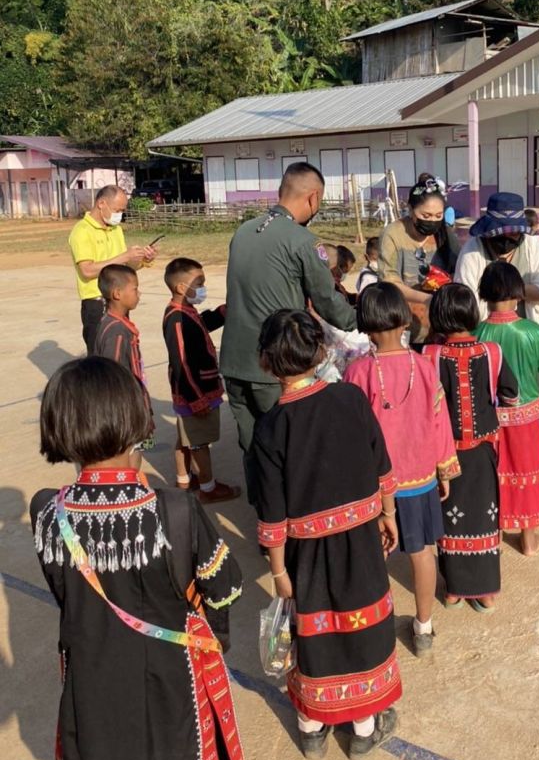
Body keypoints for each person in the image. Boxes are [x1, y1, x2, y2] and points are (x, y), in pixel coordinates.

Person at [31, 357, 250, 760]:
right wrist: (212, 630)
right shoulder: (174, 510)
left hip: (90, 692)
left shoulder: (46, 511)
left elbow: (65, 592)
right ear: (133, 418)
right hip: (172, 685)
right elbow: (226, 587)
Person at [253, 310, 401, 760]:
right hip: (361, 544)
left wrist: (279, 571)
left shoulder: (270, 426)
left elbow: (272, 513)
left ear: (264, 362)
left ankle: (312, 729)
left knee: (313, 635)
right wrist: (388, 514)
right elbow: (381, 464)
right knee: (362, 628)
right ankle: (363, 729)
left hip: (306, 555)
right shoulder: (350, 398)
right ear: (320, 352)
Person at [220, 162, 356, 505]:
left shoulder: (244, 231)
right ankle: (290, 517)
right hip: (275, 364)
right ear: (313, 198)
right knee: (288, 446)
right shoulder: (304, 241)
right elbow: (327, 301)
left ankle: (264, 516)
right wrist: (363, 321)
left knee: (252, 444)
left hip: (234, 361)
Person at [344, 283, 460, 656]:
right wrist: (444, 469)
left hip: (375, 486)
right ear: (405, 320)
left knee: (374, 557)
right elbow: (441, 422)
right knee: (422, 553)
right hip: (420, 479)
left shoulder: (357, 372)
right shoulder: (424, 366)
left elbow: (352, 436)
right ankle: (423, 626)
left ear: (366, 326)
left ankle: (373, 628)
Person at [424, 284, 518, 612]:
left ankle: (454, 590)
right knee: (484, 516)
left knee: (450, 516)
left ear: (437, 316)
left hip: (443, 455)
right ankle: (486, 591)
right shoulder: (492, 352)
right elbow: (511, 395)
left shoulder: (430, 355)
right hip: (482, 451)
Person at [476, 262, 539, 555]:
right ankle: (528, 539)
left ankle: (493, 532)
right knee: (527, 472)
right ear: (519, 293)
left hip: (488, 417)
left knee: (493, 475)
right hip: (526, 416)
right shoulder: (533, 331)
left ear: (484, 293)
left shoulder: (476, 333)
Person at [162, 257, 241, 504]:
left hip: (195, 390)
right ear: (181, 288)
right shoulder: (177, 318)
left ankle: (184, 480)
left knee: (186, 437)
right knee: (199, 443)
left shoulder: (187, 311)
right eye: (199, 283)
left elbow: (200, 326)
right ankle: (208, 488)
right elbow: (181, 363)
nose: (203, 288)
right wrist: (197, 399)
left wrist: (221, 313)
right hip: (195, 392)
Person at [68, 185, 157, 353]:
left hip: (119, 301)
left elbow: (124, 267)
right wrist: (124, 256)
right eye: (117, 210)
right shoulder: (82, 231)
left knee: (122, 349)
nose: (120, 215)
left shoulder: (116, 229)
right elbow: (87, 270)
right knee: (100, 356)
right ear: (101, 203)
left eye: (122, 211)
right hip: (97, 302)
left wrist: (143, 259)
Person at [378, 178, 461, 344]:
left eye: (438, 216)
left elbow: (458, 272)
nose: (432, 221)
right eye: (426, 215)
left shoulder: (446, 235)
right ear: (410, 210)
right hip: (403, 323)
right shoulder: (393, 233)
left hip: (440, 326)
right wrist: (428, 299)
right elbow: (389, 282)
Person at [454, 192, 539, 327]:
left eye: (513, 233)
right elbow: (466, 298)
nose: (507, 238)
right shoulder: (472, 249)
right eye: (501, 233)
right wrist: (519, 292)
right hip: (484, 330)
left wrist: (503, 288)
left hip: (526, 329)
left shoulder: (533, 244)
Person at [93, 264, 154, 450]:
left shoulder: (113, 322)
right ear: (117, 294)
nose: (139, 293)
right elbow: (114, 377)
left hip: (133, 408)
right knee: (132, 452)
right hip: (127, 413)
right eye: (135, 289)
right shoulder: (117, 332)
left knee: (141, 447)